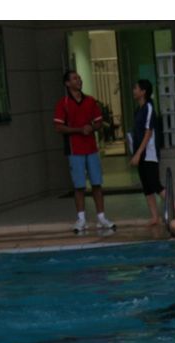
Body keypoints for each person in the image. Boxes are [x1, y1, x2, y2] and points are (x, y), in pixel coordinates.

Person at [54, 70, 115, 234]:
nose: (79, 80)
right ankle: (81, 219)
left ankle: (101, 217)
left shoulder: (90, 101)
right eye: (75, 79)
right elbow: (58, 127)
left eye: (79, 78)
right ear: (67, 83)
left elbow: (99, 122)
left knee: (97, 183)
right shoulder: (63, 103)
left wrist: (91, 127)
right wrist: (79, 130)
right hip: (74, 149)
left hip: (91, 148)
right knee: (79, 185)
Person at [128, 79, 166, 227]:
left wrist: (138, 153)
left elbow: (148, 132)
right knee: (147, 187)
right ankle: (155, 216)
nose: (134, 91)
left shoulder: (149, 107)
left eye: (136, 88)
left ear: (143, 91)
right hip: (140, 152)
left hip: (149, 153)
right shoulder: (138, 110)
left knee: (155, 185)